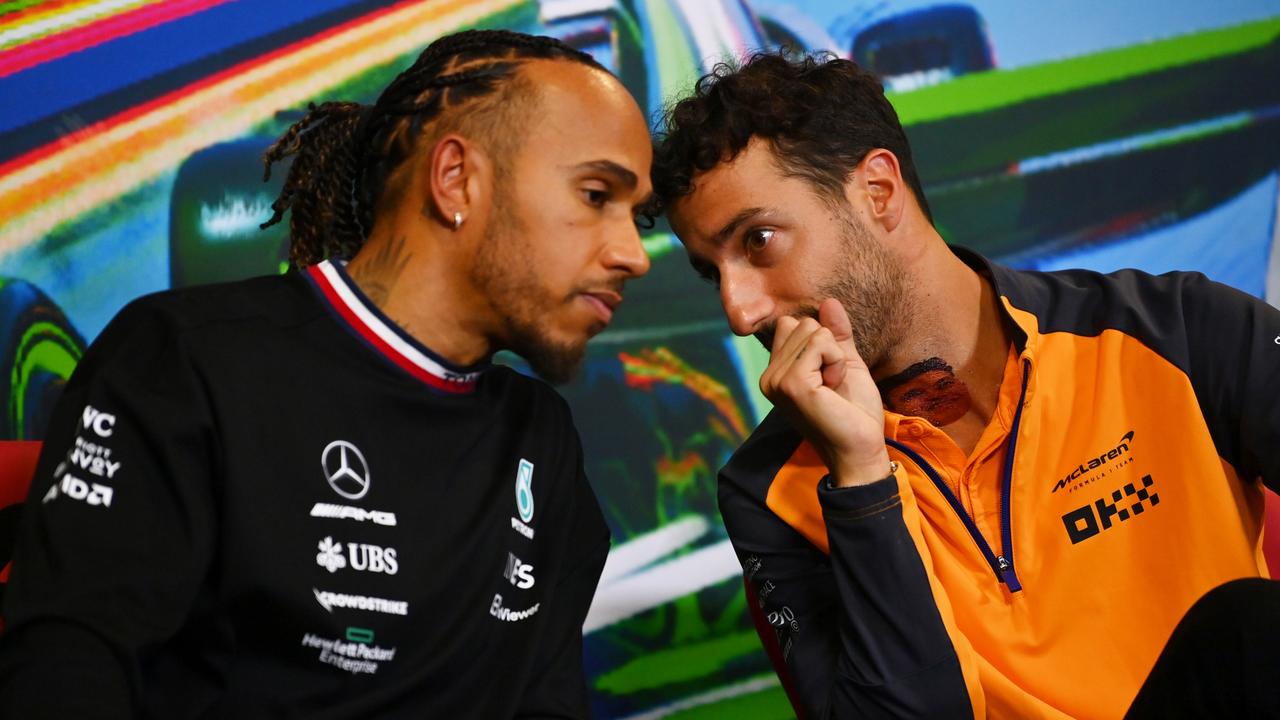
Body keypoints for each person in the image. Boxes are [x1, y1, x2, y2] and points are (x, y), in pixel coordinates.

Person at [0, 29, 654, 718]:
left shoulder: (543, 441)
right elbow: (65, 668)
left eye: (637, 215)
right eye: (595, 194)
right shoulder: (182, 361)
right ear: (457, 179)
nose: (633, 253)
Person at [651, 50, 1280, 718]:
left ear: (878, 193)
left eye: (758, 241)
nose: (740, 311)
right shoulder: (767, 487)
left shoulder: (1173, 330)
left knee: (1245, 630)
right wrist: (861, 479)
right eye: (710, 271)